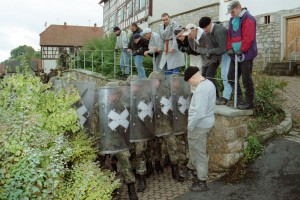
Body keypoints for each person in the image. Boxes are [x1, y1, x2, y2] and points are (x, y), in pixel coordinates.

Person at [92, 82, 138, 200]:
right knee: (101, 165)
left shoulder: (122, 106)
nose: (112, 97)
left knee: (125, 160)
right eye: (110, 94)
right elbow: (94, 127)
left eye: (115, 94)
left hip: (118, 140)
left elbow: (127, 125)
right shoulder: (99, 107)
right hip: (103, 140)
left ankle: (131, 188)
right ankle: (108, 189)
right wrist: (98, 143)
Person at [183, 66, 216, 192]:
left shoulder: (201, 89)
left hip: (199, 126)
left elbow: (200, 113)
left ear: (193, 77)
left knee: (199, 152)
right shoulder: (209, 84)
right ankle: (190, 169)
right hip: (207, 123)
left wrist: (191, 125)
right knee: (195, 148)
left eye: (189, 81)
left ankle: (202, 181)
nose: (190, 83)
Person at [149, 71, 185, 182]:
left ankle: (175, 171)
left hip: (166, 125)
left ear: (160, 81)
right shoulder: (147, 92)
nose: (155, 83)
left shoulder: (166, 91)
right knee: (155, 146)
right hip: (152, 126)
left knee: (173, 146)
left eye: (157, 80)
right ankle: (156, 164)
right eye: (153, 81)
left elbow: (174, 104)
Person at [226, 0, 257, 110]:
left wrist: (242, 49)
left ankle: (249, 102)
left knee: (246, 79)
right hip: (235, 54)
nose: (231, 14)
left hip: (246, 54)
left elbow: (248, 36)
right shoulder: (232, 19)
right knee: (230, 77)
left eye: (232, 11)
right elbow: (229, 35)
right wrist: (229, 48)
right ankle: (238, 100)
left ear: (239, 7)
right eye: (230, 12)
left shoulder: (248, 18)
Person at [198, 17, 232, 105]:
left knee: (226, 75)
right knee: (224, 74)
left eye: (206, 27)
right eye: (203, 28)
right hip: (224, 54)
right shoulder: (209, 31)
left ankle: (226, 98)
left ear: (210, 23)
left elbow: (223, 48)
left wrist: (211, 51)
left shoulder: (219, 31)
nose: (205, 30)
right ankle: (226, 97)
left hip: (229, 53)